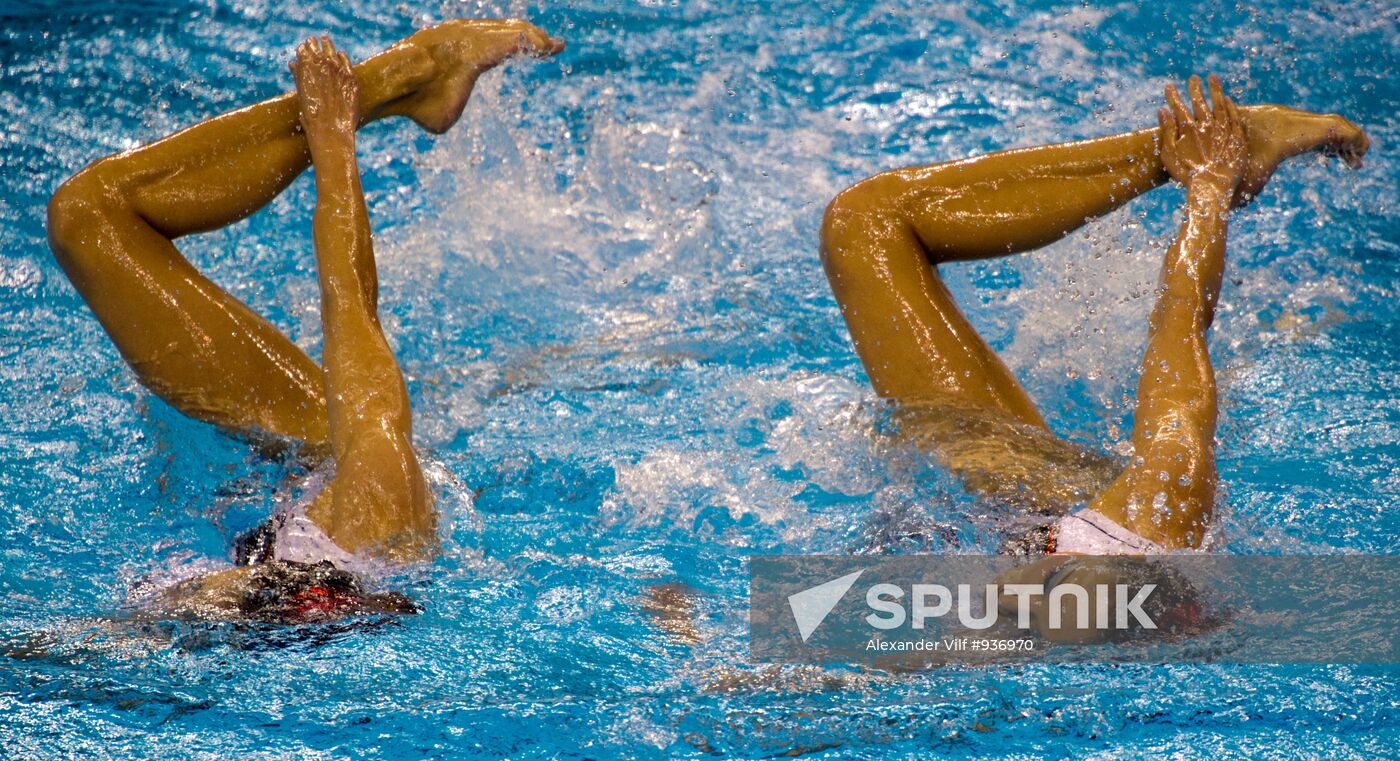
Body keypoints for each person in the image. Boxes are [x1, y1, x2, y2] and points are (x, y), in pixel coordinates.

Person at [45, 21, 564, 623]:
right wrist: (333, 134)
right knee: (88, 217)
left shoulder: (274, 592)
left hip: (291, 484)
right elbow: (350, 298)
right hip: (316, 458)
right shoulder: (378, 487)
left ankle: (404, 78)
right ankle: (404, 77)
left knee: (88, 216)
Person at [820, 74, 1368, 558]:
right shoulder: (1162, 498)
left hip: (1022, 522)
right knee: (867, 221)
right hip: (1043, 509)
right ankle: (1191, 145)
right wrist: (1208, 184)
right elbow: (1182, 316)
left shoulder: (1137, 528)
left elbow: (1184, 315)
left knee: (866, 221)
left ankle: (1183, 148)